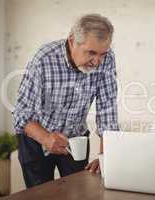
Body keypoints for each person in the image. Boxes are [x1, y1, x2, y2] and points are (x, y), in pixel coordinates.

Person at [12, 14, 119, 188]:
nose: (97, 61)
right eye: (91, 52)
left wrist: (105, 155)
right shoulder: (44, 59)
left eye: (102, 54)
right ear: (72, 41)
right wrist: (46, 138)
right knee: (40, 194)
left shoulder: (107, 59)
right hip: (36, 138)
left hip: (75, 137)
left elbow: (107, 109)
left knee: (78, 191)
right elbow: (21, 114)